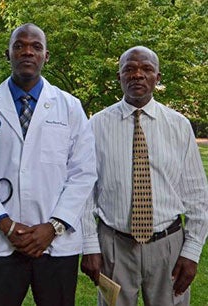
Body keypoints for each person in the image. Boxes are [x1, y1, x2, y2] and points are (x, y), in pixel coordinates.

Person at [0, 23, 97, 306]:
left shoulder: (69, 107)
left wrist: (53, 227)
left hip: (56, 244)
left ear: (46, 56)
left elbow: (83, 173)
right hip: (2, 242)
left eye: (36, 47)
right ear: (8, 54)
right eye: (19, 46)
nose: (27, 52)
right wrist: (5, 224)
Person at [81, 46, 208, 305]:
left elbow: (197, 195)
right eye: (129, 69)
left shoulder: (179, 126)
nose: (137, 75)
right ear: (119, 77)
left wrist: (192, 251)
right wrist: (89, 246)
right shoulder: (95, 126)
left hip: (168, 247)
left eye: (146, 69)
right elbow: (84, 192)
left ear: (157, 77)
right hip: (114, 247)